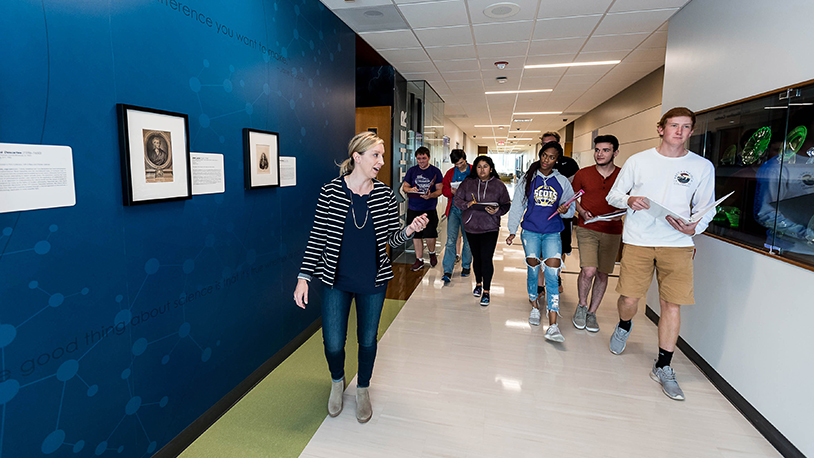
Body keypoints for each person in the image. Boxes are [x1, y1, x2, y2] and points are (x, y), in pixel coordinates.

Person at [294, 132, 429, 423]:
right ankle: (337, 381)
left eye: (381, 155)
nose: (381, 161)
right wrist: (304, 277)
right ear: (357, 157)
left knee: (367, 340)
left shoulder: (384, 195)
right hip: (335, 281)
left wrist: (409, 230)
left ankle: (363, 388)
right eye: (375, 155)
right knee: (333, 342)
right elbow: (317, 237)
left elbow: (392, 240)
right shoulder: (330, 192)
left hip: (373, 281)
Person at [606, 107, 715, 401]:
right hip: (639, 239)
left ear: (691, 132)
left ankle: (664, 365)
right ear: (661, 129)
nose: (679, 131)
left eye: (685, 127)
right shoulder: (638, 161)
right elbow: (613, 195)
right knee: (630, 298)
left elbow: (708, 206)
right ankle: (624, 324)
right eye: (673, 125)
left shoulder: (702, 166)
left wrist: (695, 227)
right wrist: (630, 199)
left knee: (672, 305)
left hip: (678, 243)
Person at [506, 142, 575, 342]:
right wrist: (512, 230)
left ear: (556, 160)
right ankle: (535, 306)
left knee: (553, 275)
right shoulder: (528, 179)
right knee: (533, 270)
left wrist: (564, 209)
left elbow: (571, 207)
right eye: (544, 155)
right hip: (530, 232)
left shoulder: (562, 181)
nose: (546, 160)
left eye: (551, 157)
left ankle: (553, 325)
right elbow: (518, 204)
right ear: (540, 155)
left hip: (553, 232)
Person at [570, 135, 623, 333]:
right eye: (597, 150)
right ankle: (582, 306)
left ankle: (592, 312)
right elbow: (573, 198)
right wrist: (582, 212)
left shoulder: (623, 175)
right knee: (589, 270)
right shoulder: (583, 174)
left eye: (605, 150)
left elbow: (630, 200)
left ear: (615, 153)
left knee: (602, 273)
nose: (600, 154)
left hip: (612, 230)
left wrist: (622, 214)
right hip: (587, 227)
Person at [453, 155, 511, 306]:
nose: (482, 169)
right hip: (471, 226)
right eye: (479, 166)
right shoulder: (467, 183)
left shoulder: (499, 185)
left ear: (491, 168)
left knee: (486, 258)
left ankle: (486, 291)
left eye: (485, 166)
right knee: (476, 258)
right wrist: (468, 204)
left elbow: (506, 205)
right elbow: (457, 200)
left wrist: (496, 211)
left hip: (490, 227)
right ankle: (478, 284)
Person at [541, 131, 579, 295]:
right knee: (541, 249)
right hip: (543, 216)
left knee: (561, 248)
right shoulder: (538, 165)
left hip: (563, 217)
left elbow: (575, 191)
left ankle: (556, 276)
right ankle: (541, 283)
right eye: (544, 145)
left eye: (552, 144)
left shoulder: (569, 164)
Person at [402, 147, 444, 271]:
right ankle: (419, 259)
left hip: (429, 208)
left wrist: (430, 195)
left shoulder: (435, 171)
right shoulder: (412, 171)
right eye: (419, 158)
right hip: (413, 208)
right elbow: (405, 187)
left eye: (424, 158)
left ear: (429, 157)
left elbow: (440, 190)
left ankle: (431, 253)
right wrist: (411, 190)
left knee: (430, 234)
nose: (421, 161)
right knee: (416, 235)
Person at [441, 149, 473, 284]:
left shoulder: (473, 170)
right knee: (451, 240)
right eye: (456, 164)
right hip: (454, 209)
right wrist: (451, 191)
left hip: (469, 210)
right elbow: (444, 189)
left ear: (465, 159)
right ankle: (447, 269)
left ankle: (466, 266)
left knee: (468, 240)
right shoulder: (450, 173)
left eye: (461, 163)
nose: (459, 166)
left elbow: (480, 189)